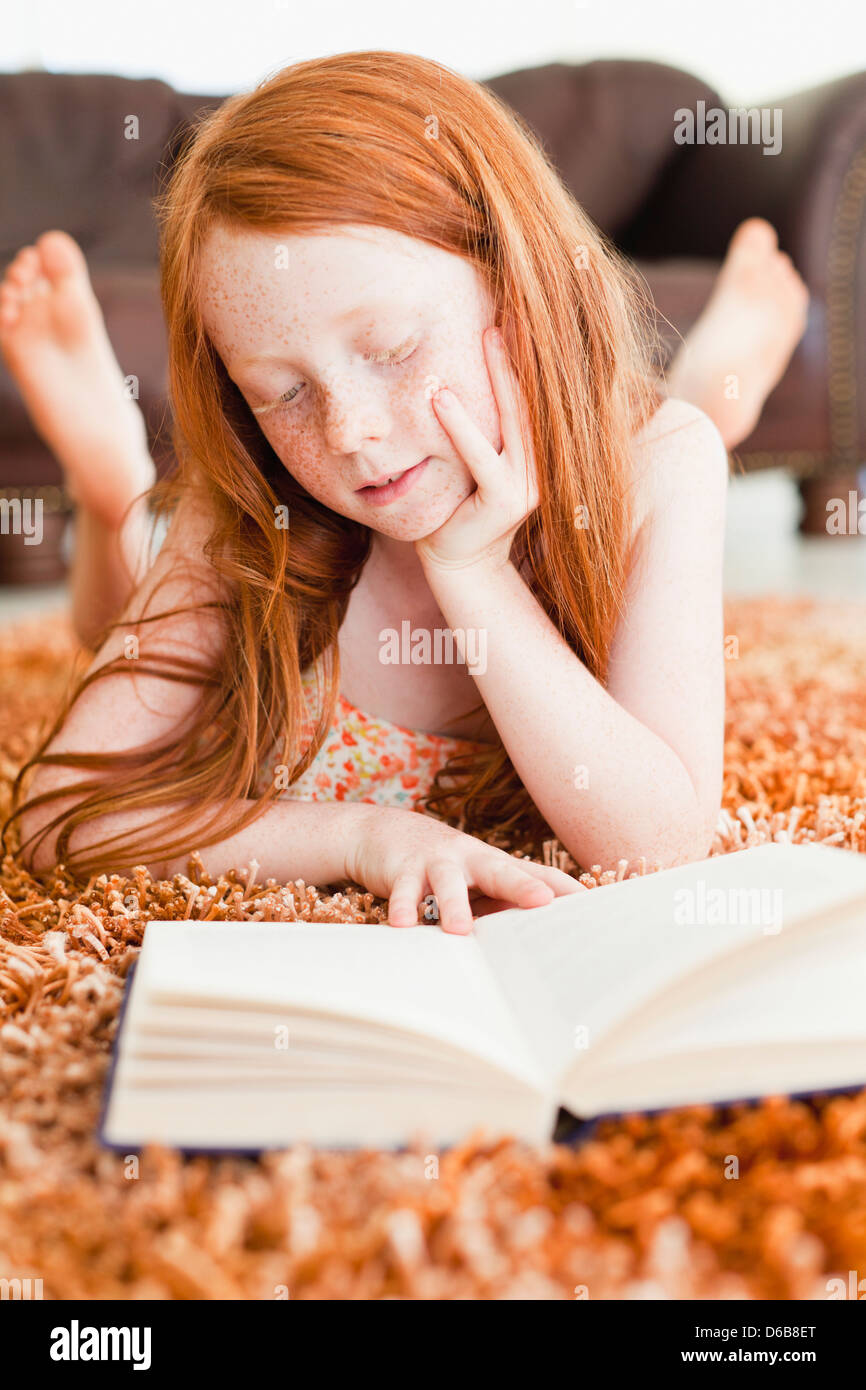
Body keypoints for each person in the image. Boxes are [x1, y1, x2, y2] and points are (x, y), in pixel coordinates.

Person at [0, 52, 808, 933]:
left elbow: (658, 845)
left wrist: (474, 572)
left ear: (520, 287)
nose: (350, 433)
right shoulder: (253, 502)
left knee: (686, 430)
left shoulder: (661, 468)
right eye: (281, 392)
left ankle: (715, 381)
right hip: (186, 544)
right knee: (113, 620)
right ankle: (112, 483)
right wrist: (359, 837)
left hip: (624, 446)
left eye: (391, 350)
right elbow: (57, 817)